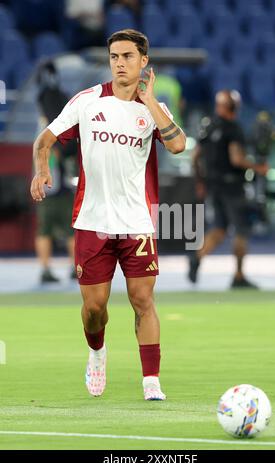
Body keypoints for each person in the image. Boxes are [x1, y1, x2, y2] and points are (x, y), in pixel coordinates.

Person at [30, 29, 186, 400]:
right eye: (114, 56)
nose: (119, 62)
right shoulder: (87, 102)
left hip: (137, 224)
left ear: (143, 61)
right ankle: (97, 352)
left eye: (128, 56)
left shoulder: (152, 110)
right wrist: (42, 168)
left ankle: (151, 381)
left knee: (143, 300)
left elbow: (178, 144)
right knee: (94, 308)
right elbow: (45, 139)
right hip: (93, 223)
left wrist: (150, 103)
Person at [188, 90, 268, 288]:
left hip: (213, 185)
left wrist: (200, 181)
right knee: (242, 229)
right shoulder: (233, 128)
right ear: (235, 107)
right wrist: (259, 168)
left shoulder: (208, 126)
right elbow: (237, 159)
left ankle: (197, 257)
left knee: (219, 229)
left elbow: (195, 156)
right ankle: (238, 276)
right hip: (232, 186)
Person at [35, 60, 77, 283]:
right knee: (67, 226)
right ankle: (70, 267)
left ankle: (48, 269)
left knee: (46, 228)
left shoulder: (42, 105)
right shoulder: (55, 102)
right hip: (56, 180)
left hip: (45, 180)